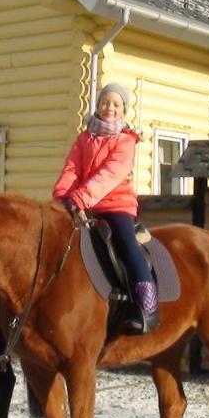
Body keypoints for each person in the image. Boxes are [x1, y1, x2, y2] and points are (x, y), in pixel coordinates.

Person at [53, 82, 158, 334]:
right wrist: (61, 197)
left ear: (123, 110)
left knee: (126, 243)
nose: (109, 107)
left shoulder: (125, 141)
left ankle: (147, 303)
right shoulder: (84, 138)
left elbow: (110, 175)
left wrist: (78, 198)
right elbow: (72, 169)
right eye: (105, 102)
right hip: (82, 205)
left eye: (116, 104)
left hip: (115, 205)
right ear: (98, 105)